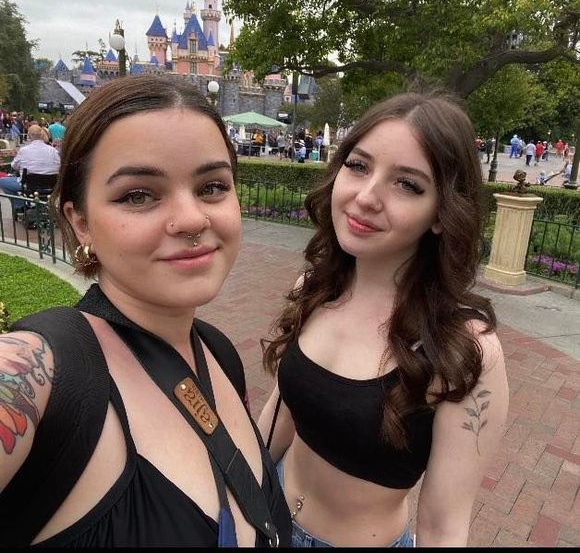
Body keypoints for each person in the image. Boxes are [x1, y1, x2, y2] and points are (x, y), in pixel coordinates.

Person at [0, 75, 291, 547]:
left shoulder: (218, 354)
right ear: (80, 222)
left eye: (212, 186)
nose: (192, 219)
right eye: (138, 195)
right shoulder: (45, 374)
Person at [258, 91, 509, 547]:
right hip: (266, 512)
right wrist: (241, 489)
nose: (366, 196)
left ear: (442, 214)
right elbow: (285, 406)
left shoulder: (462, 348)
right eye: (358, 166)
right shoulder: (316, 286)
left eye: (407, 184)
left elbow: (443, 528)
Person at [0, 124, 61, 212]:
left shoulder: (24, 150)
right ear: (42, 135)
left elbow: (14, 166)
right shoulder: (53, 151)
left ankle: (20, 206)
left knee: (2, 182)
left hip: (29, 185)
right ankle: (42, 207)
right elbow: (59, 166)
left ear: (28, 136)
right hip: (51, 185)